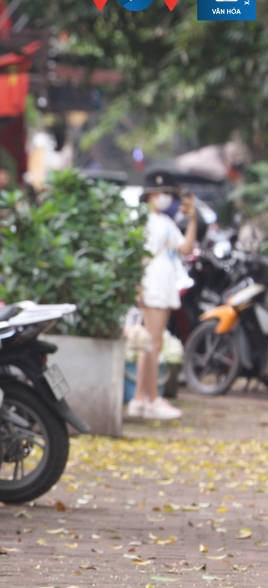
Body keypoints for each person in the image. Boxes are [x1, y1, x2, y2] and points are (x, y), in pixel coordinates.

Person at [129, 170, 197, 422]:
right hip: (152, 284)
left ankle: (140, 398)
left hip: (164, 283)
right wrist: (137, 288)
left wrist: (192, 220)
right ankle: (151, 399)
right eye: (164, 193)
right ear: (152, 194)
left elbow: (186, 248)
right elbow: (138, 255)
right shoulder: (144, 220)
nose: (167, 198)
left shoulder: (165, 222)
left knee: (151, 344)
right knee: (153, 343)